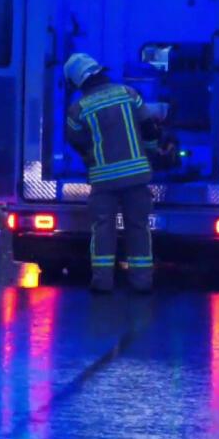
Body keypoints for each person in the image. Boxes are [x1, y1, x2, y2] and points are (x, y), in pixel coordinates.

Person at [63, 53, 160, 294]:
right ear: (98, 70)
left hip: (103, 180)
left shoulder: (78, 110)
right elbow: (149, 129)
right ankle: (141, 282)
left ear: (77, 82)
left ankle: (102, 282)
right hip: (137, 177)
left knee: (103, 229)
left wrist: (91, 156)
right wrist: (153, 153)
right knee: (138, 228)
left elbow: (76, 141)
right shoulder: (129, 94)